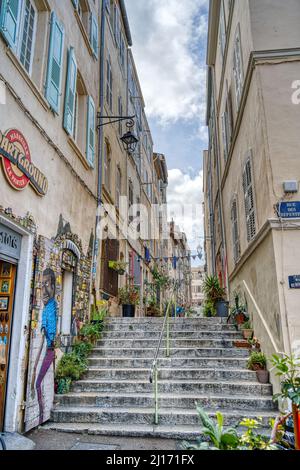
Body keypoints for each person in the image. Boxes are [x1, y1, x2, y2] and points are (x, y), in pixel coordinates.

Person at [31, 268, 57, 425]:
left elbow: (46, 338)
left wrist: (34, 370)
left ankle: (41, 415)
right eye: (42, 285)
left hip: (49, 351)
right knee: (40, 383)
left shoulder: (49, 308)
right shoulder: (49, 306)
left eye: (47, 284)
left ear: (53, 286)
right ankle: (41, 414)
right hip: (50, 350)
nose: (44, 290)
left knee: (37, 384)